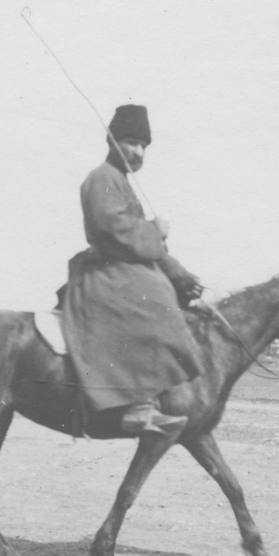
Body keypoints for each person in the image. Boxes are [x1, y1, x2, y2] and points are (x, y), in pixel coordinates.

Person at [60, 104, 206, 436]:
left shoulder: (119, 180)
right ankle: (138, 406)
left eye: (143, 146)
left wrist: (178, 272)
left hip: (122, 266)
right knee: (156, 305)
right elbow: (115, 229)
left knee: (169, 293)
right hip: (104, 273)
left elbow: (138, 239)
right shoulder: (102, 178)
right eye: (131, 142)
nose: (138, 152)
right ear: (112, 140)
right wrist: (155, 229)